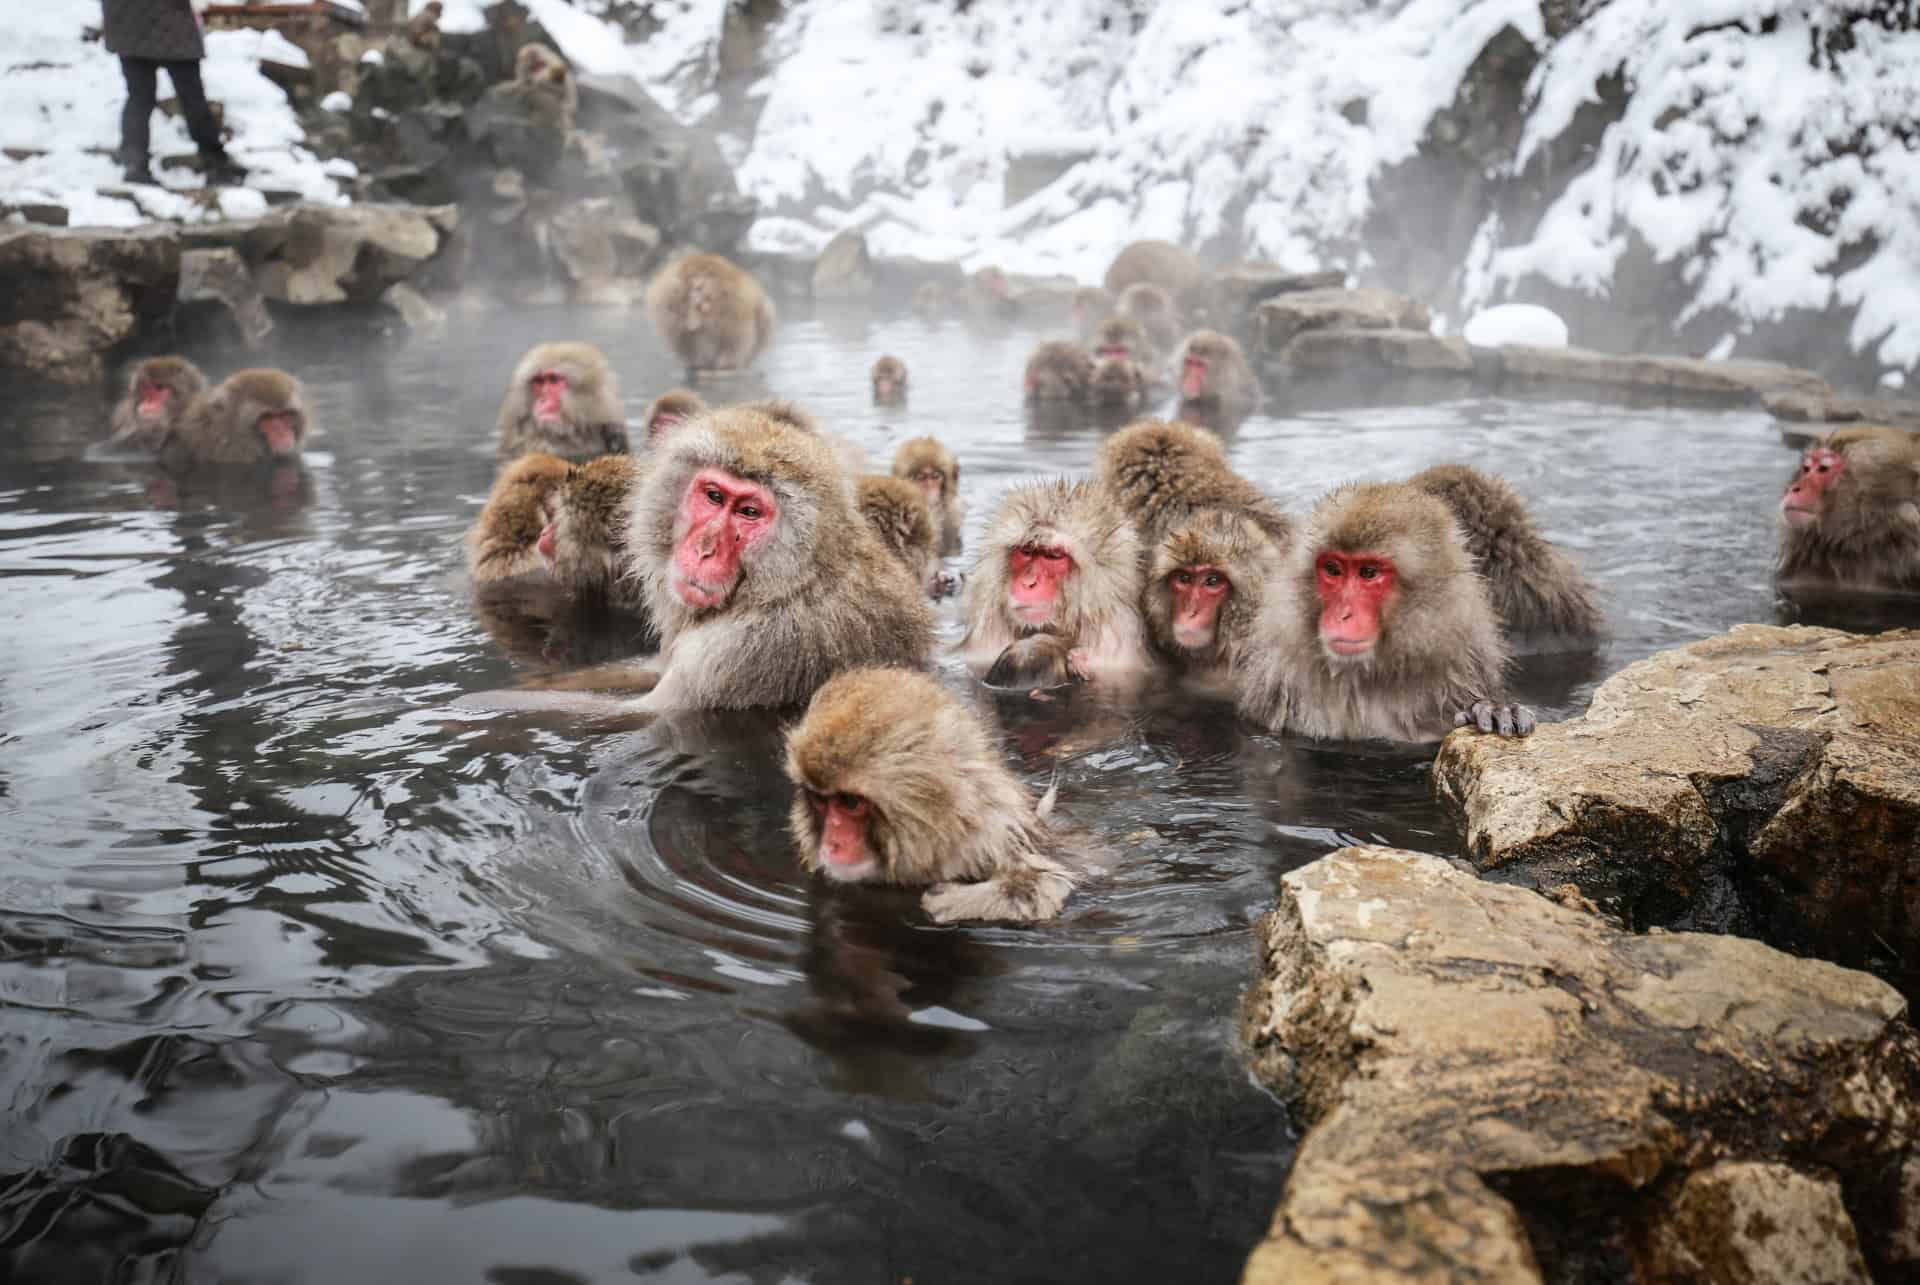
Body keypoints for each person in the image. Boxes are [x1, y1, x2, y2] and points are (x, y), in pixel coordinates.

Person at [100, 0, 247, 186]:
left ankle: (134, 163)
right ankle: (215, 163)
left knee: (139, 98)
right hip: (173, 26)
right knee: (192, 97)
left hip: (127, 25)